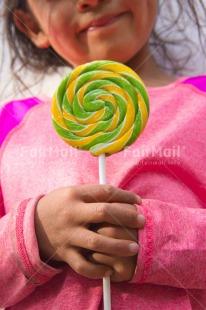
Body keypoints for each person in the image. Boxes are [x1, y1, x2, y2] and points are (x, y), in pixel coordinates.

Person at [0, 0, 206, 309]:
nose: (90, 0)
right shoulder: (12, 125)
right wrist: (35, 232)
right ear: (32, 26)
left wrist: (159, 242)